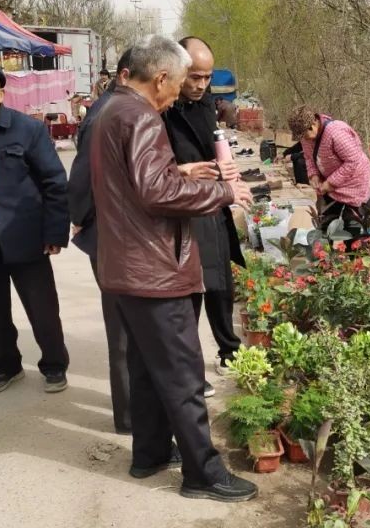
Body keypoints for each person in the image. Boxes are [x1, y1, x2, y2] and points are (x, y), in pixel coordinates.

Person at [91, 34, 257, 502]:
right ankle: (203, 473)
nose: (181, 91)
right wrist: (222, 194)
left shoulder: (112, 111)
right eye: (181, 81)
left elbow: (137, 182)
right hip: (155, 267)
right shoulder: (141, 116)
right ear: (161, 77)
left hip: (127, 265)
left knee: (146, 369)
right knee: (184, 375)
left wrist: (178, 174)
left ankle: (149, 453)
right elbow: (155, 193)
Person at [0, 58, 71, 395]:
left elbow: (54, 181)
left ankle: (54, 364)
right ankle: (6, 366)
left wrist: (54, 232)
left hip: (27, 237)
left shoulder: (27, 130)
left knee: (43, 310)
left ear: (1, 94)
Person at [164, 36, 246, 387]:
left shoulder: (206, 103)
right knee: (189, 290)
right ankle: (189, 369)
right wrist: (193, 169)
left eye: (206, 77)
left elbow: (215, 142)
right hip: (180, 207)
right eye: (194, 77)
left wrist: (225, 168)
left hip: (212, 202)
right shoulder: (161, 108)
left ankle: (229, 349)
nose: (200, 85)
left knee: (219, 283)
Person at [67, 49, 133, 435]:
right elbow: (81, 175)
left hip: (110, 232)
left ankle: (132, 413)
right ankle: (130, 417)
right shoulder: (109, 113)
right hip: (111, 235)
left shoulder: (113, 108)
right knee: (124, 330)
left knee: (126, 328)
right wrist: (83, 221)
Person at [287, 104, 370, 235]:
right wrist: (313, 175)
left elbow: (353, 161)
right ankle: (330, 250)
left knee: (352, 229)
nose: (304, 139)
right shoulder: (306, 138)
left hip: (354, 183)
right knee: (328, 225)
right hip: (332, 187)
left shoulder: (336, 132)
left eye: (305, 135)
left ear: (313, 125)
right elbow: (309, 158)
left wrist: (330, 183)